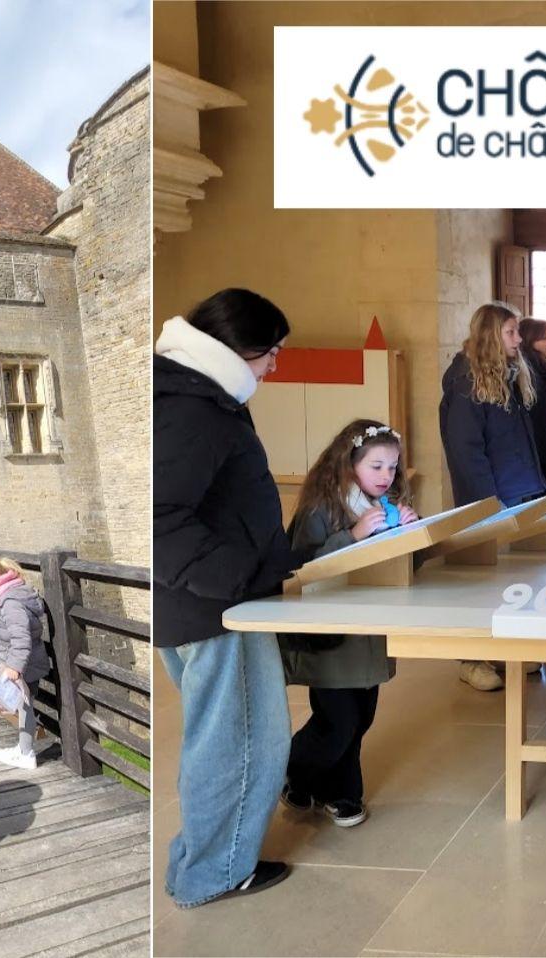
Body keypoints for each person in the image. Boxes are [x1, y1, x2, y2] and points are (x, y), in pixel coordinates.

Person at [154, 288, 306, 907]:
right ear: (238, 350)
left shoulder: (190, 391)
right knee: (243, 744)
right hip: (215, 612)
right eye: (271, 354)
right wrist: (236, 579)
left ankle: (199, 861)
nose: (274, 367)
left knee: (217, 740)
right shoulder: (195, 408)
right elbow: (161, 517)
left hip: (200, 606)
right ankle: (214, 873)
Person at [280, 419, 418, 828]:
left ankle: (316, 786)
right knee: (338, 720)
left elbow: (404, 565)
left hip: (368, 632)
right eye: (376, 466)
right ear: (349, 463)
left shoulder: (385, 506)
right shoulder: (321, 510)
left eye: (392, 467)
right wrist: (354, 535)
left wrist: (413, 531)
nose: (386, 476)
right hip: (330, 634)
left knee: (362, 717)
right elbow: (300, 567)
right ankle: (315, 780)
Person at [440, 302, 546, 692]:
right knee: (480, 582)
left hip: (519, 488)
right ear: (490, 335)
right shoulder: (465, 382)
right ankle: (471, 658)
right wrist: (487, 502)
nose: (519, 340)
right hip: (489, 497)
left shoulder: (507, 373)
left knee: (513, 580)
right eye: (511, 333)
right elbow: (466, 450)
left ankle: (507, 650)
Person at [0, 556, 53, 771]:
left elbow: (21, 638)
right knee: (23, 705)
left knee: (25, 706)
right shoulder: (13, 593)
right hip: (19, 662)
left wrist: (14, 668)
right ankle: (23, 748)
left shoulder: (9, 602)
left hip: (21, 666)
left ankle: (26, 753)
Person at [518, 317, 546, 493]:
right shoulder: (530, 373)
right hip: (540, 447)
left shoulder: (542, 368)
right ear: (530, 339)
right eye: (545, 338)